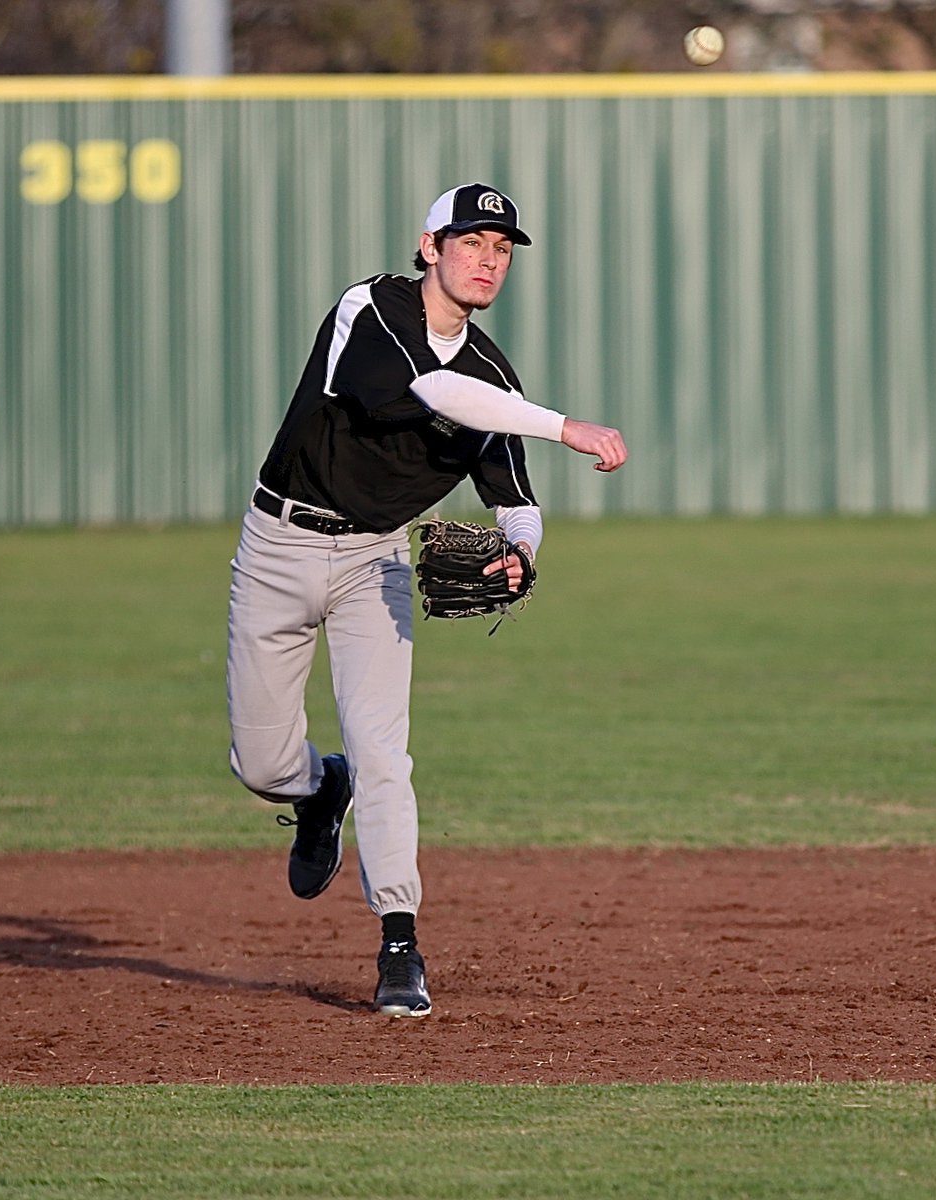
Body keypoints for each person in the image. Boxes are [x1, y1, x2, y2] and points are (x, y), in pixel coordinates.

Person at [226, 182, 627, 1018]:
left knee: (384, 754)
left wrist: (520, 553)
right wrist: (566, 426)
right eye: (470, 242)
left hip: (375, 564)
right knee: (261, 765)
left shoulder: (493, 379)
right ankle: (316, 791)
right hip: (279, 545)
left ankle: (399, 944)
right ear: (429, 247)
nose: (487, 260)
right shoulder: (369, 311)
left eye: (501, 249)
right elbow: (432, 392)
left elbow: (513, 498)